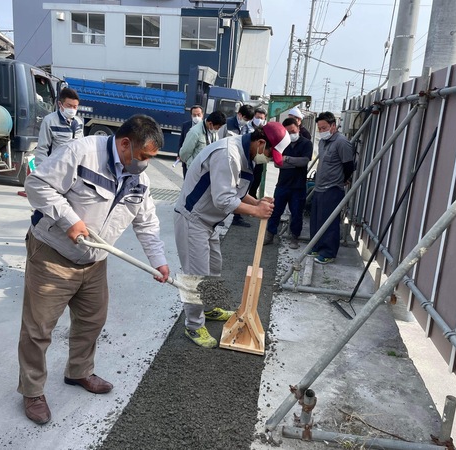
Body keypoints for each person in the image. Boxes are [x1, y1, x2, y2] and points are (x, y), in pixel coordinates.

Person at [18, 115, 170, 425]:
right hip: (53, 255)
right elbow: (36, 185)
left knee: (91, 321)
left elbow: (147, 222)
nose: (145, 165)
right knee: (39, 329)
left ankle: (78, 372)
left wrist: (159, 260)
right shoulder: (81, 153)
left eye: (150, 160)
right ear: (125, 143)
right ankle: (32, 391)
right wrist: (69, 219)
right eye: (143, 157)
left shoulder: (139, 179)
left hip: (94, 261)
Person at [174, 122, 290, 348]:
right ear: (261, 143)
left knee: (214, 267)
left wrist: (256, 202)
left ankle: (209, 309)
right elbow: (223, 200)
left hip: (209, 221)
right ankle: (193, 326)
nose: (267, 159)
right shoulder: (229, 155)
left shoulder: (246, 155)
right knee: (195, 275)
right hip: (192, 219)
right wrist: (257, 211)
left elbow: (235, 191)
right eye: (269, 153)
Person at [309, 111, 354, 264]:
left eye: (324, 128)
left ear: (333, 126)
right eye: (319, 128)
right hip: (320, 186)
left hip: (333, 188)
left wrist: (343, 179)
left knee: (329, 221)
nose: (322, 131)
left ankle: (328, 252)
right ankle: (316, 246)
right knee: (316, 219)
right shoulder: (323, 142)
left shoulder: (342, 142)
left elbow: (349, 165)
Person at [264, 117, 313, 249]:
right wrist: (293, 163)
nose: (291, 134)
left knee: (297, 213)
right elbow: (277, 164)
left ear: (298, 128)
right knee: (275, 211)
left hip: (298, 186)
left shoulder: (306, 143)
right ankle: (270, 235)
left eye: (293, 131)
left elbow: (304, 161)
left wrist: (287, 159)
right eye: (288, 132)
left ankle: (294, 237)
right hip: (282, 184)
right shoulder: (282, 143)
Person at [218, 104, 256, 227]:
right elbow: (218, 142)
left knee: (240, 191)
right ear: (239, 115)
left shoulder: (250, 129)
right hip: (226, 163)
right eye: (245, 119)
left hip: (241, 166)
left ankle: (237, 217)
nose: (246, 122)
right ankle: (218, 217)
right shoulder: (226, 125)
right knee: (223, 189)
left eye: (249, 120)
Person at [34, 87, 84, 167]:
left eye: (75, 107)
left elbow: (81, 148)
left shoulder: (79, 123)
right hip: (54, 168)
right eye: (69, 106)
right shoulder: (49, 121)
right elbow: (42, 149)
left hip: (72, 169)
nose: (72, 109)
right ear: (60, 104)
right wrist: (42, 170)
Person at [177, 105, 204, 178]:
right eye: (194, 115)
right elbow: (181, 141)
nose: (196, 117)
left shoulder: (205, 126)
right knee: (186, 182)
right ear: (191, 115)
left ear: (202, 114)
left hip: (200, 161)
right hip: (186, 161)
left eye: (198, 115)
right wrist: (179, 154)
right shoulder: (186, 125)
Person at [248, 107, 268, 199]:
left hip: (259, 159)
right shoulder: (247, 127)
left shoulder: (267, 130)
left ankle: (252, 196)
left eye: (261, 118)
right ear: (253, 117)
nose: (259, 119)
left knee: (256, 180)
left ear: (265, 119)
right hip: (247, 158)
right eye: (257, 117)